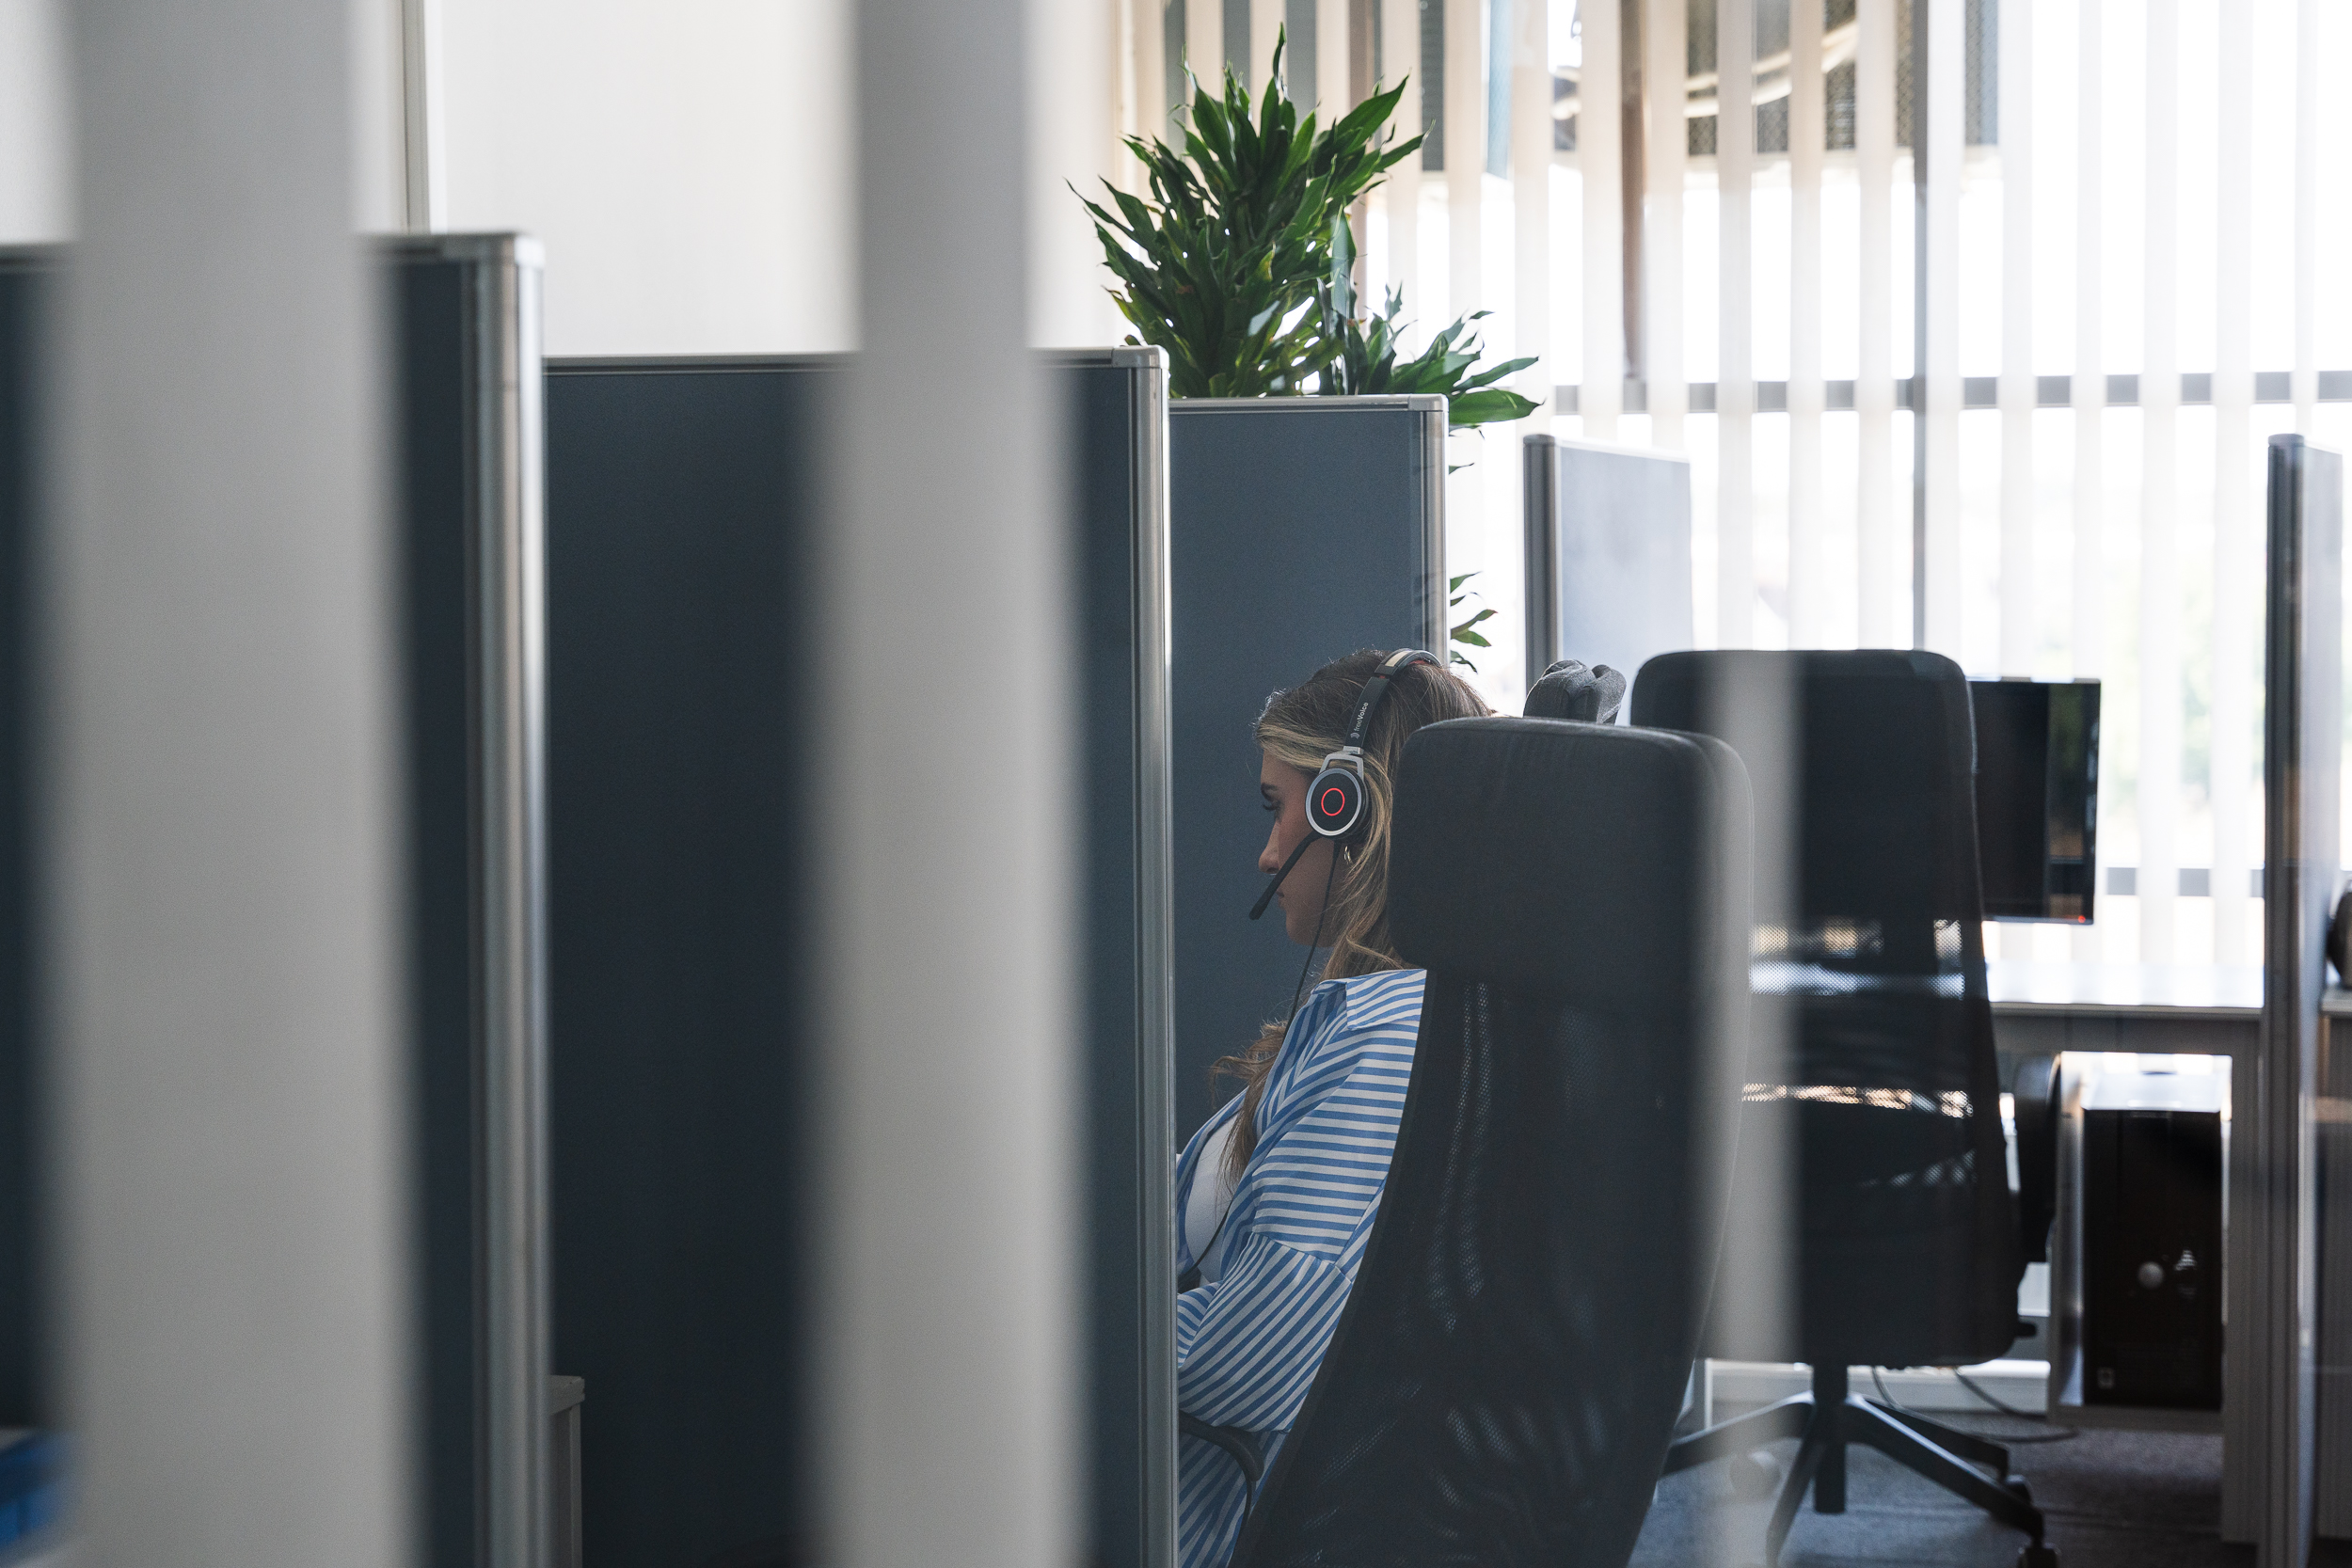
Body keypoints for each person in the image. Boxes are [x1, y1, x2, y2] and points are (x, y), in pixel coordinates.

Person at [1172, 648, 1492, 1568]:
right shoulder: (1365, 1018)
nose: (1268, 852)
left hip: (1211, 1523)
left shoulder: (1386, 1037)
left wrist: (1045, 1327)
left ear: (1344, 808)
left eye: (1279, 810)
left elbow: (1251, 1356)